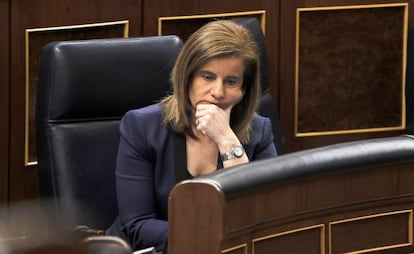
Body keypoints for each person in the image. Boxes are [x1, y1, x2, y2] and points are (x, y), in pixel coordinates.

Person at [111, 19, 278, 252]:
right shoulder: (142, 127)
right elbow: (137, 226)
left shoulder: (260, 132)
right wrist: (208, 239)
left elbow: (264, 219)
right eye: (207, 77)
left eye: (231, 82)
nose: (217, 92)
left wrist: (227, 140)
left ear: (244, 91)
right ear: (186, 77)